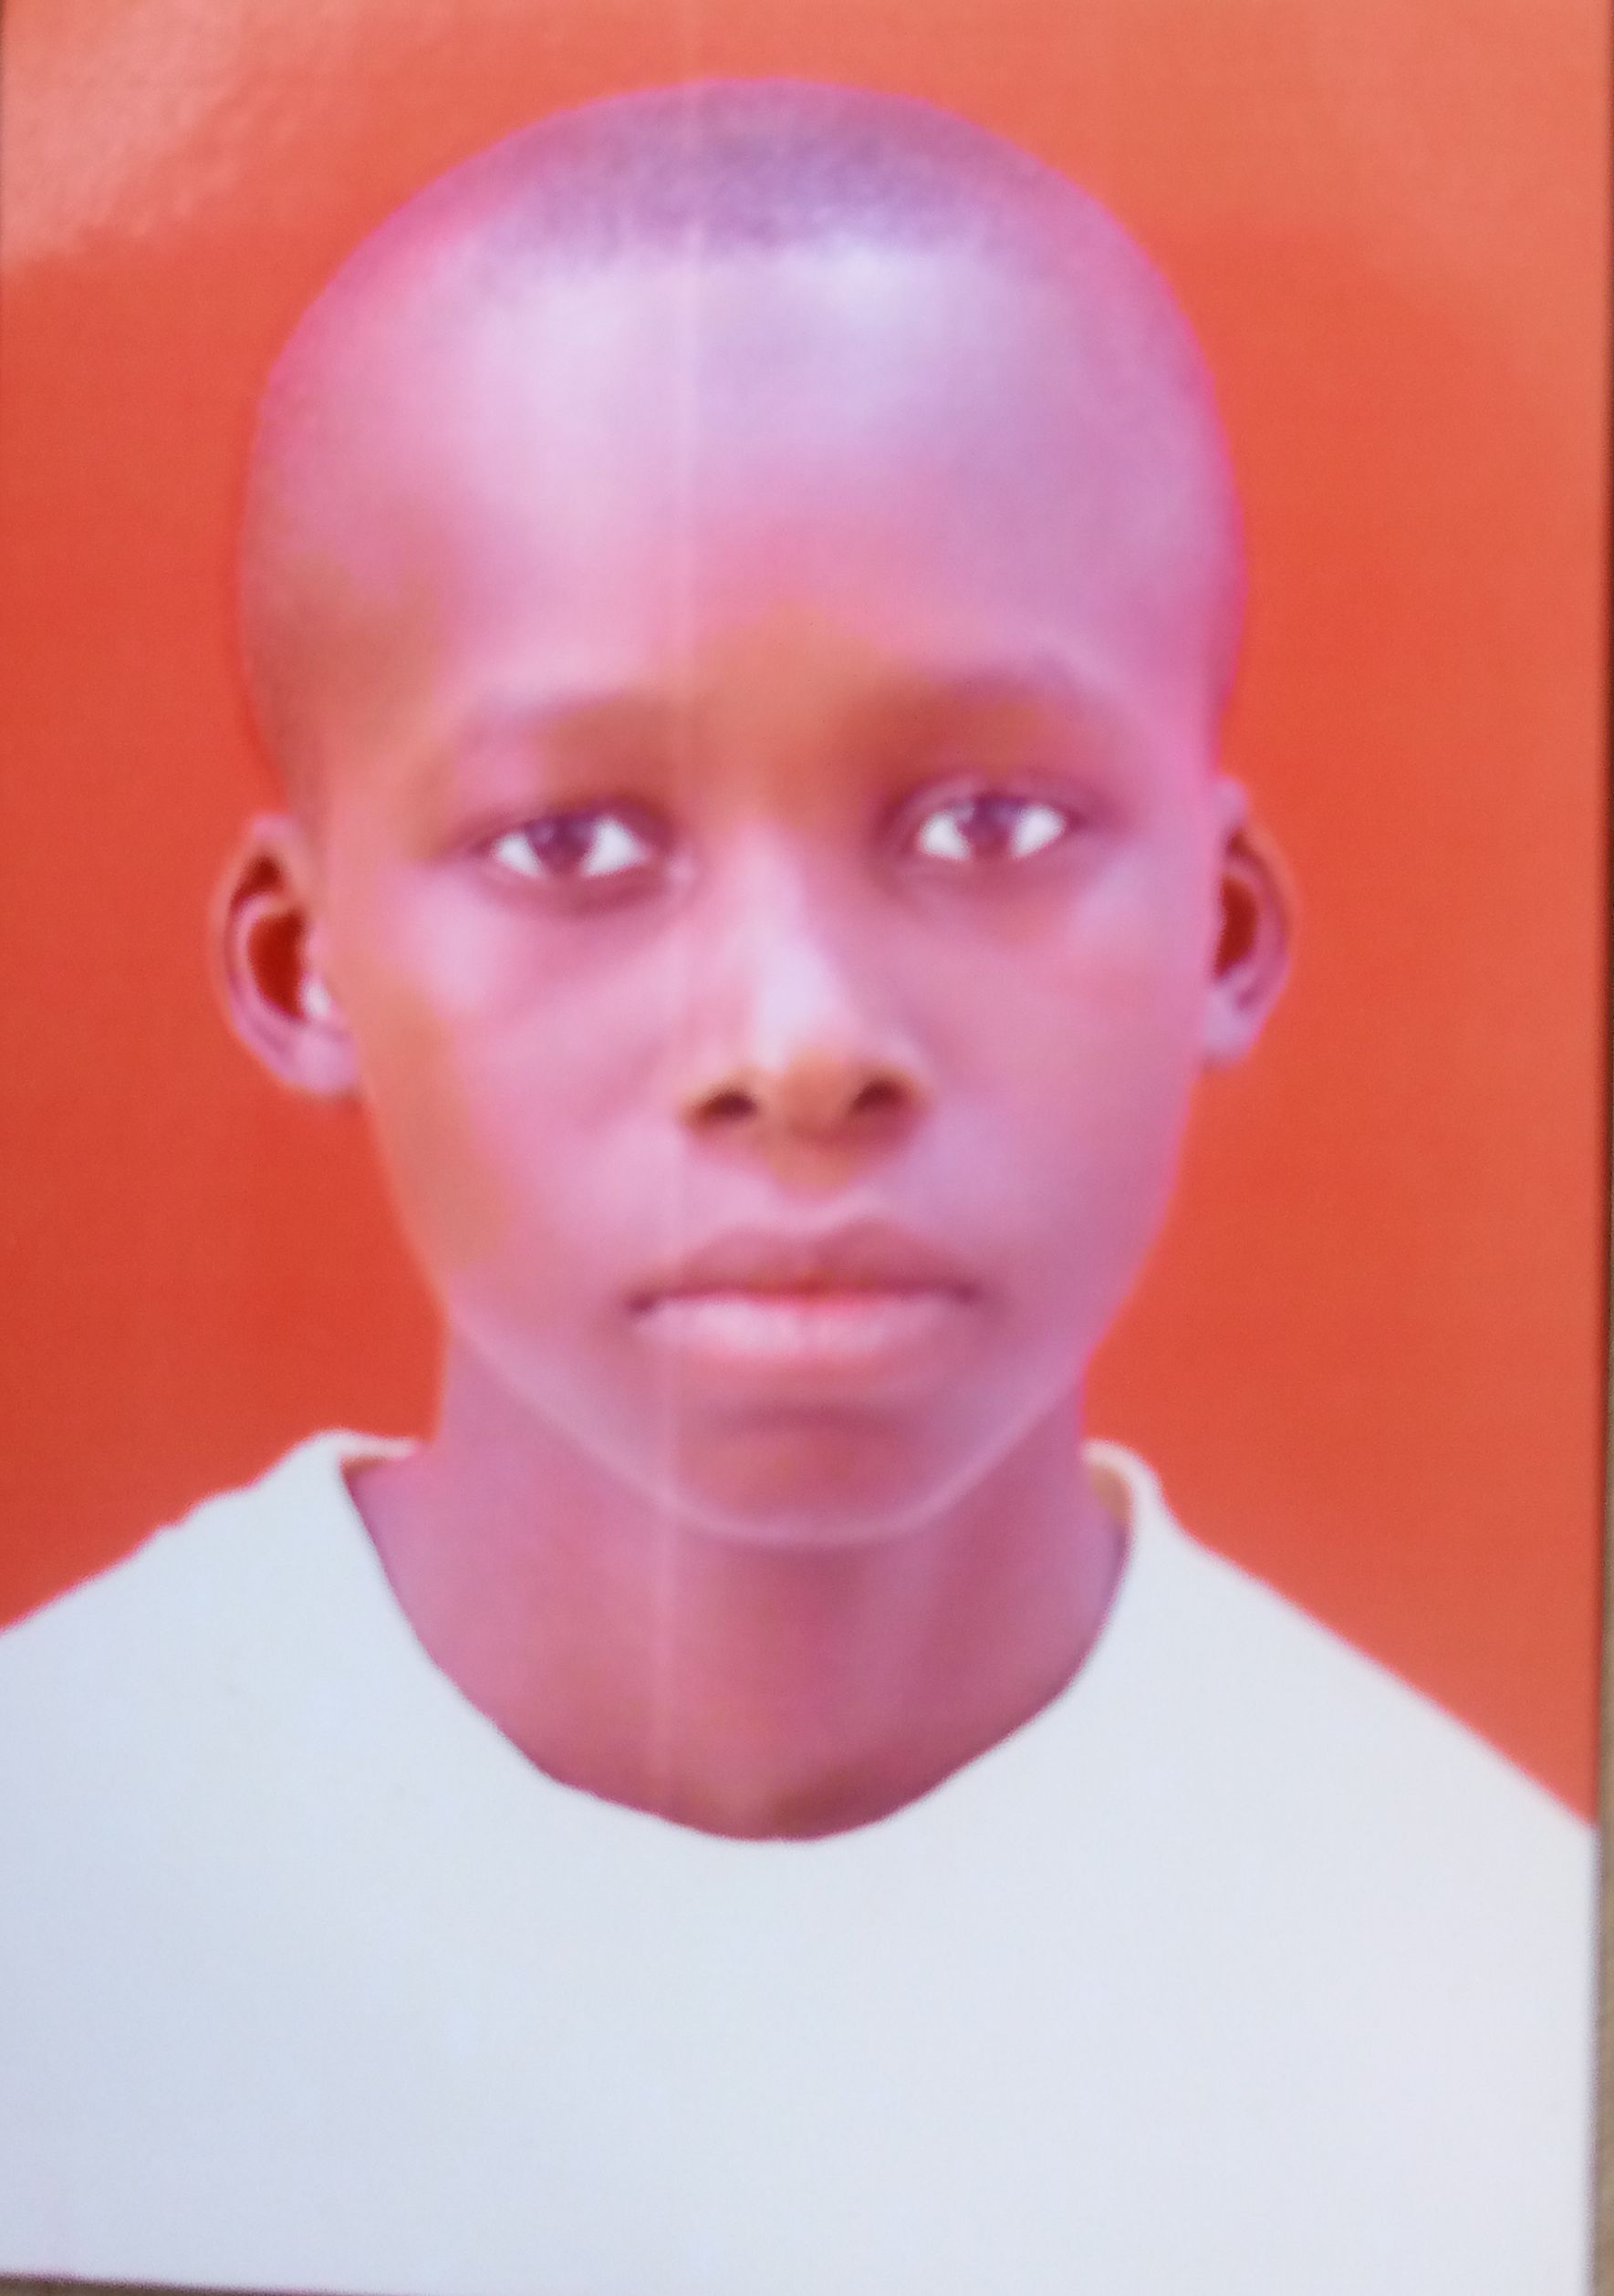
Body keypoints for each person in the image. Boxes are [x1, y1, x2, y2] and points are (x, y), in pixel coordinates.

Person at [0, 77, 1595, 2296]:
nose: (800, 1037)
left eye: (989, 823)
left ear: (1224, 933)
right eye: (575, 840)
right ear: (303, 965)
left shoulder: (1513, 2039)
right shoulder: (52, 1911)